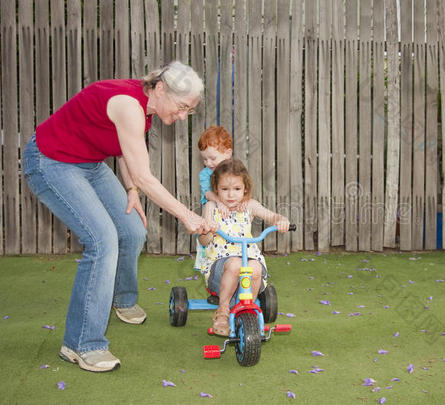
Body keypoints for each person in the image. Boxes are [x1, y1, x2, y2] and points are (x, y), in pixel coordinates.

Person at [22, 61, 212, 372]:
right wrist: (186, 215)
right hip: (51, 162)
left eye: (187, 112)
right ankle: (82, 343)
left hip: (88, 164)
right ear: (160, 89)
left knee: (132, 230)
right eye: (180, 108)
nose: (181, 117)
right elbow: (145, 175)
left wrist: (131, 190)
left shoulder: (145, 108)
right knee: (103, 241)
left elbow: (125, 150)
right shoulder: (128, 104)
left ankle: (122, 299)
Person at [197, 158, 290, 336]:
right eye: (225, 189)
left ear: (245, 189)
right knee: (235, 264)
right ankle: (223, 311)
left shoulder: (250, 206)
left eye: (237, 189)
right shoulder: (211, 207)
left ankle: (248, 310)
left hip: (249, 261)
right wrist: (208, 229)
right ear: (216, 189)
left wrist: (281, 221)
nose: (231, 195)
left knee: (254, 267)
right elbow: (203, 241)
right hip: (220, 267)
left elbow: (272, 216)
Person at [193, 126, 235, 271]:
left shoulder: (235, 172)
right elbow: (207, 193)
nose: (208, 163)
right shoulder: (205, 174)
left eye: (212, 158)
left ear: (228, 153)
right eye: (204, 159)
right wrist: (219, 202)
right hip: (213, 212)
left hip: (231, 214)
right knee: (211, 242)